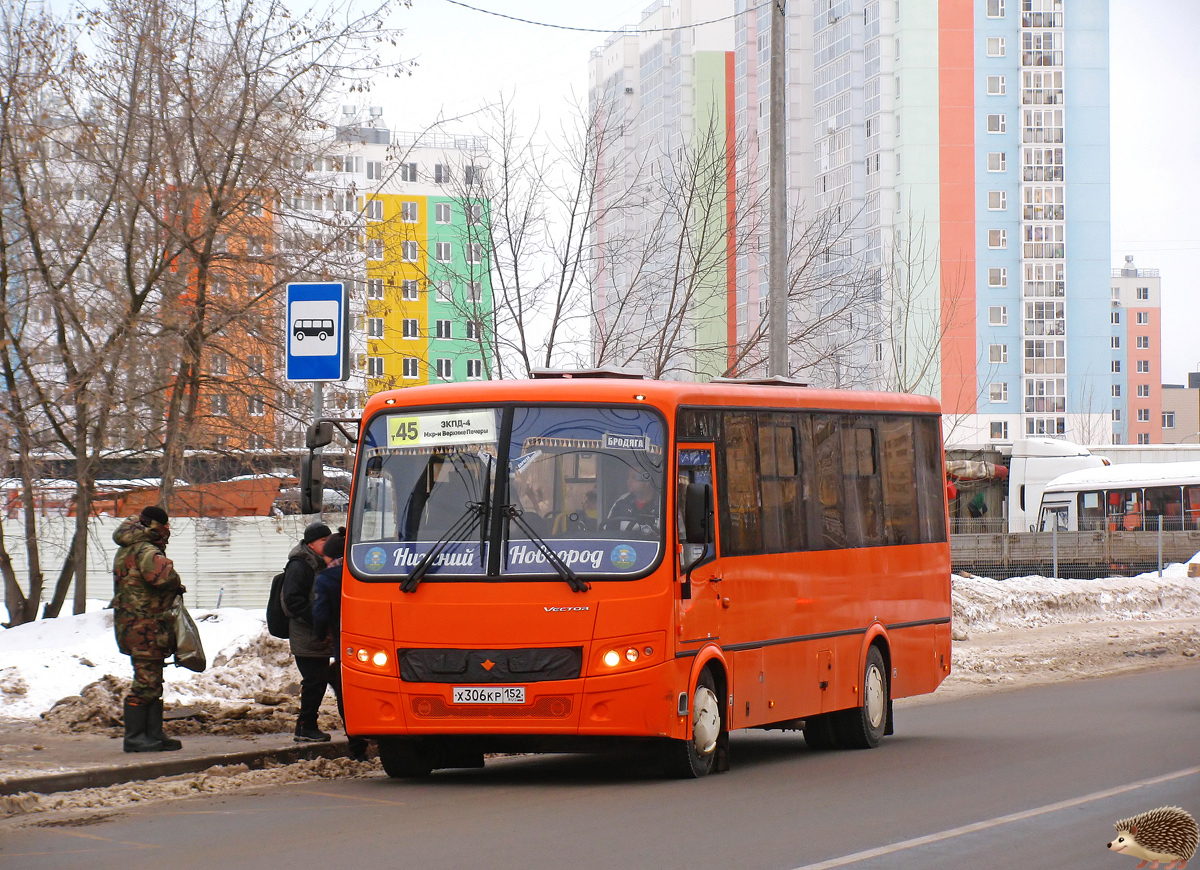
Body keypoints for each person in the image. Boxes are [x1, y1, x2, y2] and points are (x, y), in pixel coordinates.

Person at [111, 505, 185, 753]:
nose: (168, 530)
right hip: (145, 625)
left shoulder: (128, 547)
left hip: (136, 623)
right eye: (166, 526)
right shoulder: (145, 550)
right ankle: (135, 737)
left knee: (152, 677)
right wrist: (176, 581)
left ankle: (152, 733)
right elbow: (163, 577)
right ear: (157, 526)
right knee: (145, 681)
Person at [312, 530, 370, 762]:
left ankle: (357, 746)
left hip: (346, 646)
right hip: (377, 643)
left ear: (330, 556)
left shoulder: (327, 579)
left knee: (347, 696)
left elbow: (321, 612)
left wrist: (319, 635)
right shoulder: (366, 571)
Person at [282, 521, 336, 742]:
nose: (327, 544)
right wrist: (318, 619)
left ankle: (306, 726)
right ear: (311, 544)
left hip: (316, 634)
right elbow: (292, 601)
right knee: (314, 681)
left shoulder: (319, 562)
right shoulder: (300, 565)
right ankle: (306, 726)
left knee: (318, 680)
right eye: (324, 540)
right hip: (307, 634)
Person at [605, 467, 660, 537]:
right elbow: (608, 532)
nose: (628, 481)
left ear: (647, 481)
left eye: (634, 477)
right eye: (628, 477)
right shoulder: (622, 502)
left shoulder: (663, 503)